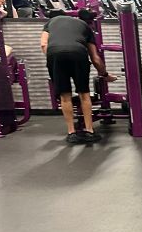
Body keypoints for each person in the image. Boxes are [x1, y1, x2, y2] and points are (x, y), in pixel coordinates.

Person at [40, 9, 115, 145]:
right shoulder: (85, 26)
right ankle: (89, 131)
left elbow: (43, 44)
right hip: (78, 53)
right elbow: (95, 58)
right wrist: (105, 75)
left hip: (54, 54)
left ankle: (71, 133)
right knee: (84, 94)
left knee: (65, 96)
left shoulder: (51, 22)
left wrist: (54, 57)